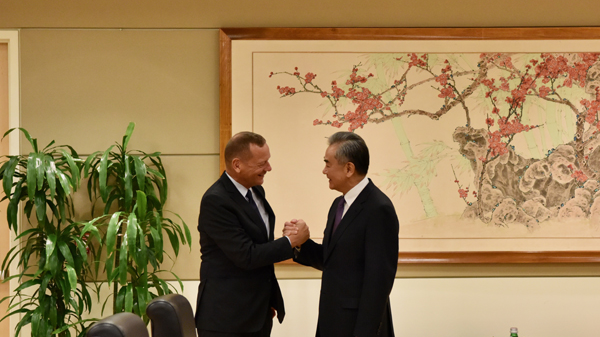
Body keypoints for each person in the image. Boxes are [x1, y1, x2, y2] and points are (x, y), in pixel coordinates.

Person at [285, 131, 399, 337]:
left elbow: (378, 282)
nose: (323, 170)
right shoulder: (338, 204)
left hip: (358, 327)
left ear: (349, 168)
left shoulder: (378, 208)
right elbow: (332, 260)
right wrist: (300, 242)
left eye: (328, 164)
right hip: (333, 321)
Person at [195, 131, 309, 337]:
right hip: (227, 320)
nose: (269, 168)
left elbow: (259, 243)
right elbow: (246, 256)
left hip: (258, 313)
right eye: (262, 163)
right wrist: (290, 241)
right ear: (237, 165)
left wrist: (266, 302)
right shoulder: (216, 200)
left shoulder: (256, 191)